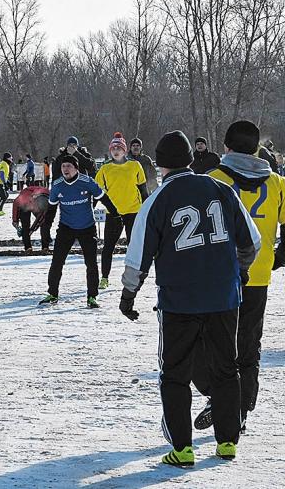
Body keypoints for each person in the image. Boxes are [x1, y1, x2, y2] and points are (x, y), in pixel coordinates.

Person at [120, 130, 260, 466]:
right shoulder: (222, 190)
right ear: (190, 159)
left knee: (175, 374)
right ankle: (227, 442)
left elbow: (138, 255)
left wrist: (128, 295)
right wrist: (239, 272)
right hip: (224, 298)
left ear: (160, 163)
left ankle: (182, 448)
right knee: (227, 369)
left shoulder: (157, 200)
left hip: (179, 301)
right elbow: (251, 242)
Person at [190, 120, 285, 435]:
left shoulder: (212, 180)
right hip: (257, 276)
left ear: (226, 147)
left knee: (206, 343)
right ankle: (240, 410)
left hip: (218, 276)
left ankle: (220, 398)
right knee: (247, 345)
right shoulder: (276, 183)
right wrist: (278, 255)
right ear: (258, 149)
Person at [39, 155, 119, 308]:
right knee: (57, 262)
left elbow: (104, 198)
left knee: (91, 264)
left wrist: (115, 215)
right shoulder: (57, 185)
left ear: (76, 168)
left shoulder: (87, 182)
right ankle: (52, 294)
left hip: (87, 228)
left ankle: (92, 297)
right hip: (66, 228)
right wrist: (45, 229)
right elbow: (51, 210)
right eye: (63, 167)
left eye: (69, 166)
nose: (65, 169)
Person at [94, 133, 148, 289]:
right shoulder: (105, 168)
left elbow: (143, 190)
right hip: (114, 213)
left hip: (133, 211)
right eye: (113, 148)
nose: (116, 151)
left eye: (119, 148)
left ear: (125, 150)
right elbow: (97, 191)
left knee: (134, 246)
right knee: (108, 247)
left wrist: (147, 208)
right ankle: (104, 277)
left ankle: (135, 276)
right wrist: (90, 207)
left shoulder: (134, 166)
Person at [12, 186, 50, 251]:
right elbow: (16, 205)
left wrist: (35, 226)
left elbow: (42, 217)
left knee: (43, 224)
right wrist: (15, 220)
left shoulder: (44, 198)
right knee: (27, 225)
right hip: (28, 202)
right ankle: (33, 247)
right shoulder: (22, 199)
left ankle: (42, 246)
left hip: (39, 201)